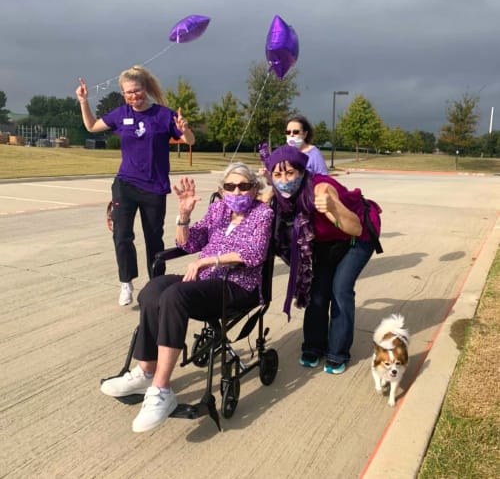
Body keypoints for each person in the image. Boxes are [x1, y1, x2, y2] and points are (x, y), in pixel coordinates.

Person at [100, 163, 274, 432]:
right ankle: (146, 371)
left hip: (238, 285)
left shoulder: (263, 213)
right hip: (206, 282)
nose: (236, 191)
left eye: (244, 186)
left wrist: (208, 262)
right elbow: (188, 244)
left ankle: (162, 390)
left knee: (176, 295)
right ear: (222, 190)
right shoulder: (219, 209)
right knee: (153, 290)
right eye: (230, 186)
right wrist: (184, 214)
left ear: (254, 189)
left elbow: (254, 254)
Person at [75, 66, 195, 306]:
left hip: (154, 187)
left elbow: (189, 141)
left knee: (154, 239)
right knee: (122, 235)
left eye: (137, 91)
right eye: (128, 92)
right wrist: (83, 101)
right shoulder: (121, 114)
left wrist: (185, 129)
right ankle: (126, 283)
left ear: (145, 89)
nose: (133, 96)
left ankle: (156, 286)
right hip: (125, 184)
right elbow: (91, 126)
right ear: (123, 94)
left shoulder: (163, 115)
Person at [264, 145, 382, 375]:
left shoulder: (321, 189)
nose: (284, 180)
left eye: (290, 173)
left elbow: (355, 228)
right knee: (318, 292)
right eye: (278, 175)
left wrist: (331, 209)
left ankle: (338, 352)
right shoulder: (279, 195)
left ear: (302, 171)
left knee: (340, 289)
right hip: (328, 243)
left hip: (357, 238)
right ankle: (313, 346)